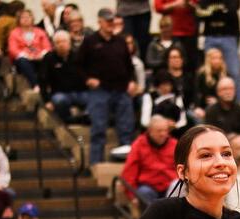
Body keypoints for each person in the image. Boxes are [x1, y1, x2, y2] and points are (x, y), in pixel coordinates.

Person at [78, 8, 136, 165]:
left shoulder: (121, 41)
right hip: (99, 91)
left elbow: (129, 65)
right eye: (108, 21)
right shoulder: (90, 42)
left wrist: (131, 81)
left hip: (121, 89)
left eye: (112, 21)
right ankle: (96, 164)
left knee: (126, 129)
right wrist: (87, 79)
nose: (111, 24)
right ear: (100, 22)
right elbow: (79, 65)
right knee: (98, 129)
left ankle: (126, 163)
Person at [121, 116, 177, 207]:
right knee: (143, 193)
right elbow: (129, 171)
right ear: (150, 131)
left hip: (170, 185)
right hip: (148, 186)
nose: (163, 134)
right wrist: (132, 196)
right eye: (159, 131)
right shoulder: (139, 145)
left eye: (165, 131)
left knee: (179, 186)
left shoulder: (174, 144)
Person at [40, 30, 87, 123]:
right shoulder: (49, 58)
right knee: (59, 101)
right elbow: (42, 80)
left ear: (69, 43)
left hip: (79, 92)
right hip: (60, 93)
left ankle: (85, 118)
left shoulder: (78, 56)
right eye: (58, 42)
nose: (61, 44)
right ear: (54, 45)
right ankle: (68, 120)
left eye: (64, 41)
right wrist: (47, 101)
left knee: (95, 99)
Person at [7, 9, 51, 88]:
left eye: (28, 17)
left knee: (48, 59)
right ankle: (36, 85)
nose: (26, 19)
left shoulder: (40, 31)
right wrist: (26, 56)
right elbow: (12, 49)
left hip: (39, 58)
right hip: (23, 60)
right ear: (19, 20)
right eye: (23, 17)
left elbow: (47, 47)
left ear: (32, 18)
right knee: (22, 61)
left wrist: (41, 55)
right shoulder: (14, 33)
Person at [204, 77, 240, 151]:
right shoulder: (211, 111)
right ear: (218, 92)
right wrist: (229, 139)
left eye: (231, 89)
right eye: (225, 89)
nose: (228, 92)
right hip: (218, 145)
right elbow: (209, 135)